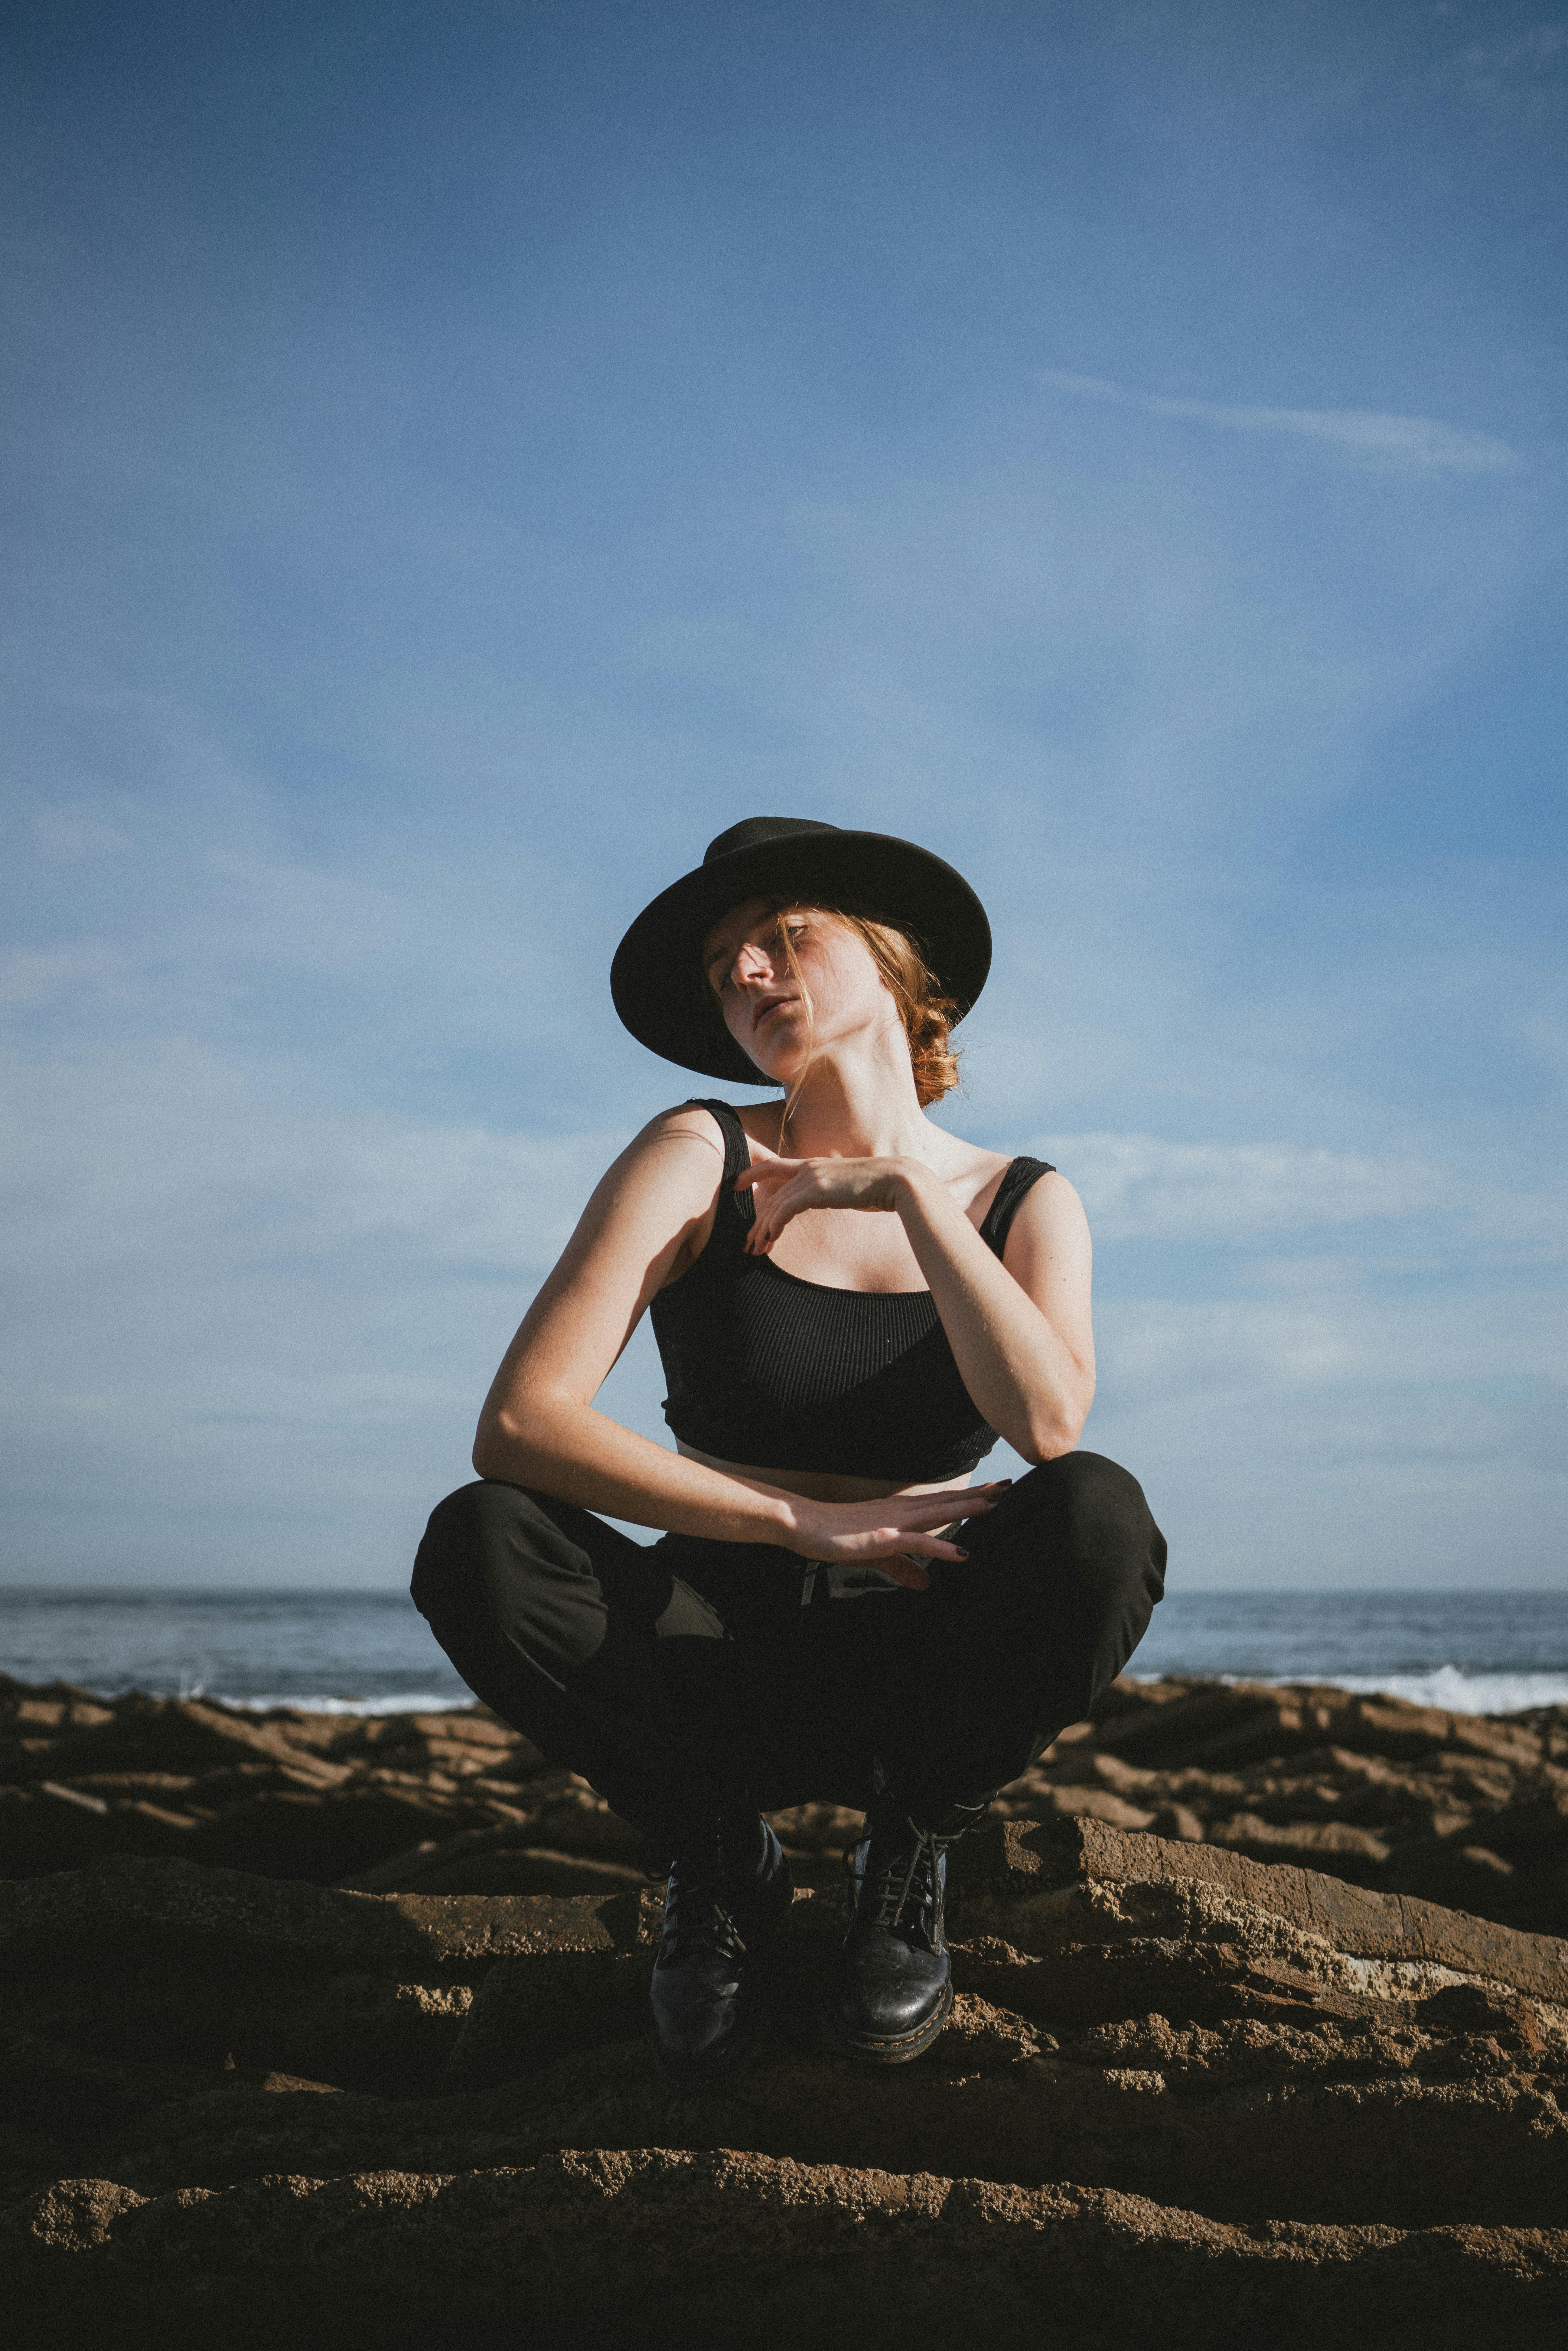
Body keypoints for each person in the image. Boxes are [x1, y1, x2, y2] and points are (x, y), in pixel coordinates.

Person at [411, 816, 1165, 2086]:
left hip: (926, 1645)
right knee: (476, 1542)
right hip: (717, 1637)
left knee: (1097, 1515)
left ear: (888, 959)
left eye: (779, 940)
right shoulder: (697, 1150)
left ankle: (909, 1851)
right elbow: (522, 1425)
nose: (747, 977)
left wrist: (915, 1200)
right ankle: (718, 1859)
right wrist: (795, 1526)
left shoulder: (1024, 1197)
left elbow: (1046, 1425)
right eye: (722, 968)